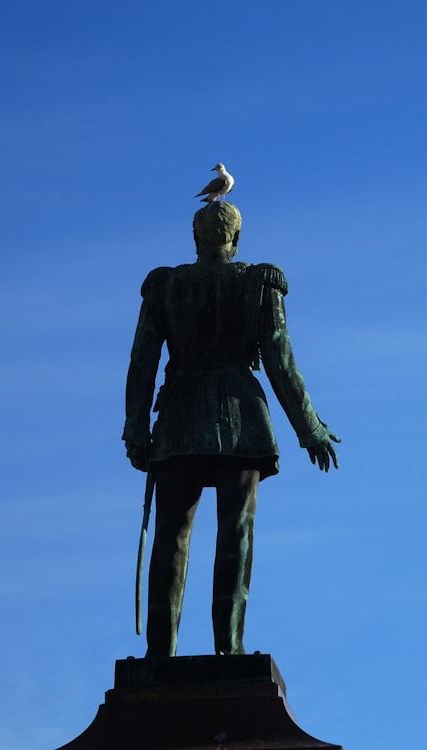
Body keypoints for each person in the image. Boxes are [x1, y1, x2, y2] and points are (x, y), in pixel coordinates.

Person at [122, 201, 339, 657]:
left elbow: (141, 363)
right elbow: (280, 360)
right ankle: (230, 648)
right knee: (235, 532)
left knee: (171, 537)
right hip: (241, 417)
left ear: (196, 238)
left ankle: (160, 654)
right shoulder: (258, 283)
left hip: (179, 418)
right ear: (235, 240)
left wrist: (136, 427)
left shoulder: (166, 286)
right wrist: (309, 427)